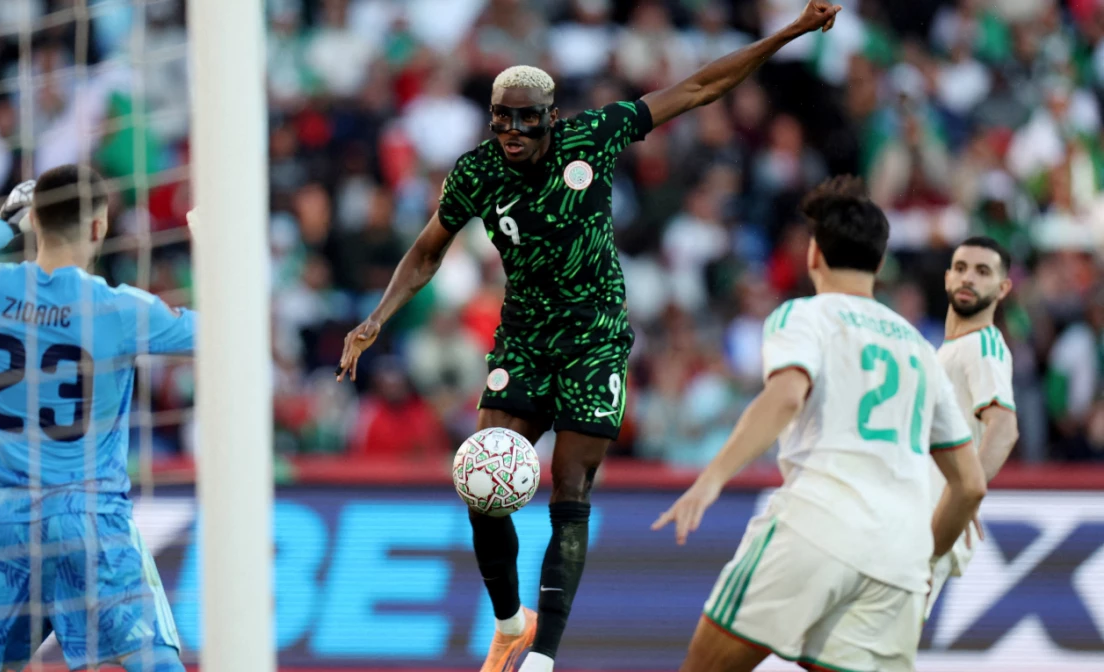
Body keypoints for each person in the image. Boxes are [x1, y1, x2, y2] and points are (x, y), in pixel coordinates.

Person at [335, 3, 843, 671]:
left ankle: (543, 658)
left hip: (595, 340)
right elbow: (428, 250)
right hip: (522, 340)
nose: (512, 130)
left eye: (526, 117)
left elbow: (697, 87)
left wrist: (790, 32)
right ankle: (511, 620)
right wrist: (376, 318)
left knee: (570, 485)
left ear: (550, 117)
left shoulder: (593, 137)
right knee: (483, 477)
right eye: (502, 117)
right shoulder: (475, 173)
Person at [652, 176, 987, 672]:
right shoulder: (920, 349)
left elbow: (786, 396)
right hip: (899, 554)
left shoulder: (805, 316)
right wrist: (924, 555)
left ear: (814, 255)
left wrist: (711, 479)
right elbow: (971, 485)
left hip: (816, 524)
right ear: (879, 262)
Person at [0, 166, 191, 672]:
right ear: (98, 228)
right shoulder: (120, 309)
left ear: (35, 222)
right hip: (90, 520)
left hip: (7, 523)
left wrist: (1, 225)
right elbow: (220, 334)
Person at [925, 236, 1020, 619]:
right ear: (947, 278)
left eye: (983, 272)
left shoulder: (985, 345)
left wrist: (966, 493)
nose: (968, 278)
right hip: (911, 514)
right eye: (961, 268)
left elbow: (1004, 428)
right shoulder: (950, 349)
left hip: (929, 521)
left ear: (1002, 288)